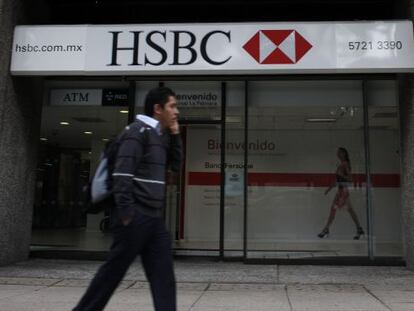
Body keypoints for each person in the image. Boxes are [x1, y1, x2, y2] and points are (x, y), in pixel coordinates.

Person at [73, 86, 182, 311]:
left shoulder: (159, 136)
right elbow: (122, 174)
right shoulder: (136, 132)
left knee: (164, 278)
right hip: (135, 217)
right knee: (111, 274)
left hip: (153, 219)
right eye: (172, 106)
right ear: (157, 108)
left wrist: (175, 133)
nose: (176, 111)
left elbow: (175, 165)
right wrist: (126, 214)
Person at [317, 147, 365, 240]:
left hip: (343, 191)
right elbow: (336, 180)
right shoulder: (342, 165)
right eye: (337, 153)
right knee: (350, 210)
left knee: (333, 209)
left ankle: (326, 229)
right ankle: (359, 228)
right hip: (342, 190)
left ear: (344, 154)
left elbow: (351, 179)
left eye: (340, 153)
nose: (338, 154)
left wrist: (340, 175)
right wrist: (329, 189)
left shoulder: (345, 164)